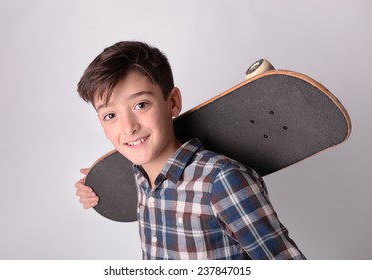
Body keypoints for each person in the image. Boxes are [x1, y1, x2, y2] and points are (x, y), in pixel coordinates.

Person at [75, 41, 306, 260]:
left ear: (173, 102)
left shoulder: (222, 181)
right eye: (110, 116)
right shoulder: (142, 178)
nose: (128, 127)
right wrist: (97, 186)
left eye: (141, 105)